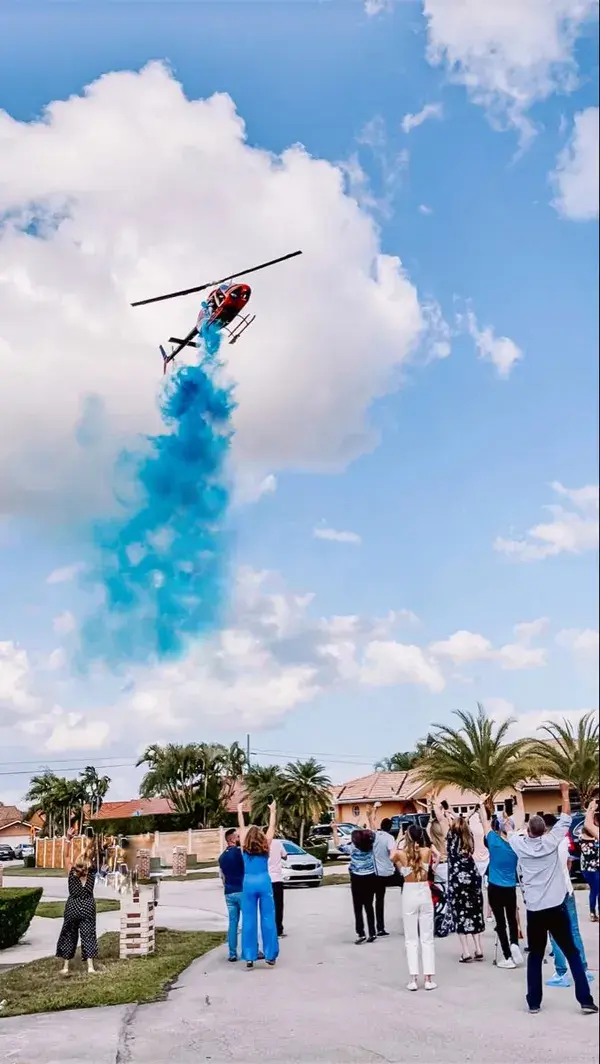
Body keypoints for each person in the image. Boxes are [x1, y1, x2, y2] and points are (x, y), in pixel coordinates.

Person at [506, 784, 597, 1015]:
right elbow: (566, 817)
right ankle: (585, 999)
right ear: (544, 830)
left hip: (535, 911)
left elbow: (509, 827)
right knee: (572, 952)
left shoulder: (519, 845)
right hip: (556, 908)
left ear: (529, 831)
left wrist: (514, 804)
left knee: (535, 956)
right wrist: (565, 794)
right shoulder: (552, 841)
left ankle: (533, 1002)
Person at [544, 814, 594, 988]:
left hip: (552, 894)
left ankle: (561, 972)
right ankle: (584, 969)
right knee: (574, 930)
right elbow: (568, 864)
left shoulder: (544, 845)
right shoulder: (564, 841)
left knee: (555, 933)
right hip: (567, 889)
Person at [434, 801, 485, 961]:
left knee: (460, 913)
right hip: (472, 875)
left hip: (457, 878)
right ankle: (478, 948)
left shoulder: (449, 836)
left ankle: (466, 951)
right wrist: (460, 813)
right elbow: (463, 821)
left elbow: (440, 817)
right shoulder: (468, 836)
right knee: (474, 912)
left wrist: (437, 804)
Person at [477, 801, 522, 969]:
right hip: (510, 887)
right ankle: (515, 944)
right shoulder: (516, 846)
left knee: (500, 923)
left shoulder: (494, 841)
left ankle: (508, 956)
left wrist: (482, 804)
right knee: (512, 919)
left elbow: (484, 823)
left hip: (495, 887)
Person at [392, 825, 437, 991]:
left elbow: (391, 856)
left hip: (409, 892)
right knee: (427, 937)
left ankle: (413, 978)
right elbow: (436, 852)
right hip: (424, 889)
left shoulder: (401, 854)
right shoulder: (426, 852)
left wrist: (399, 839)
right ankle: (428, 978)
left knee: (411, 938)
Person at [237, 801, 279, 969]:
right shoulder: (266, 845)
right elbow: (272, 827)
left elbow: (241, 828)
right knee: (268, 917)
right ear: (261, 837)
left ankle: (249, 956)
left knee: (248, 919)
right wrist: (273, 811)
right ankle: (270, 955)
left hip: (248, 882)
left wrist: (240, 811)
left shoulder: (243, 847)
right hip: (264, 881)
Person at [335, 822, 377, 944]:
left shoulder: (352, 848)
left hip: (357, 878)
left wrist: (334, 829)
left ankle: (361, 933)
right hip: (370, 876)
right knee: (369, 906)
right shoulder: (370, 845)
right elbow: (374, 833)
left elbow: (338, 845)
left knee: (358, 907)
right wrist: (370, 818)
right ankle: (372, 932)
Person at [56, 856, 98, 976]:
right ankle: (90, 967)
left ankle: (66, 967)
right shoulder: (91, 875)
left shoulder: (72, 875)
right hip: (88, 908)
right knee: (88, 935)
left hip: (72, 908)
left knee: (69, 935)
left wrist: (68, 840)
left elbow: (66, 857)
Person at [367, 802, 396, 936]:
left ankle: (379, 928)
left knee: (378, 900)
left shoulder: (375, 835)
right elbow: (392, 855)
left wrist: (375, 809)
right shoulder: (390, 838)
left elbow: (371, 821)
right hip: (388, 873)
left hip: (375, 873)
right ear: (390, 828)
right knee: (404, 883)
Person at [218, 827, 245, 962]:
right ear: (233, 839)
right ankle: (251, 949)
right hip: (241, 890)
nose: (240, 839)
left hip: (228, 892)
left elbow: (222, 877)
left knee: (233, 923)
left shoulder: (221, 857)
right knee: (248, 921)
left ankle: (232, 953)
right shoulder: (239, 853)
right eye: (238, 837)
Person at [580, 798, 599, 922]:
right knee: (598, 891)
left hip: (585, 869)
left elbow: (587, 824)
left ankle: (592, 912)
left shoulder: (582, 837)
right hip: (596, 868)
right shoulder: (596, 839)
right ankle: (594, 912)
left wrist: (591, 809)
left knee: (594, 890)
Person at [269, 835, 288, 937]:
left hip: (266, 879)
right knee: (278, 905)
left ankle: (268, 929)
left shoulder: (261, 844)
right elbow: (285, 856)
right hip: (277, 878)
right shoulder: (277, 843)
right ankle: (278, 929)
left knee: (267, 906)